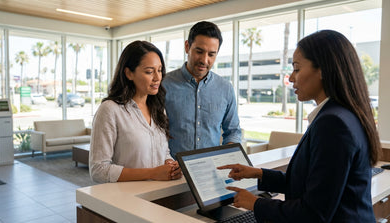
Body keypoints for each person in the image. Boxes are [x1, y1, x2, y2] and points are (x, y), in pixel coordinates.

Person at [218, 30, 381, 222]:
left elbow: (313, 214)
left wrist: (254, 203)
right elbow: (310, 185)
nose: (291, 79)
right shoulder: (343, 114)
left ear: (322, 70)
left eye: (296, 69)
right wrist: (258, 174)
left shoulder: (333, 123)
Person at [89, 40, 182, 183]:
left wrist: (171, 165)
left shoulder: (158, 109)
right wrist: (152, 173)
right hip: (127, 199)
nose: (157, 78)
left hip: (159, 194)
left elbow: (164, 153)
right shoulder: (110, 110)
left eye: (159, 70)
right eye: (149, 72)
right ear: (129, 73)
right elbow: (98, 170)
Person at [163, 21, 242, 157]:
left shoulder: (225, 88)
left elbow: (233, 132)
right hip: (172, 171)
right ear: (187, 46)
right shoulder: (163, 85)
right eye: (199, 52)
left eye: (211, 54)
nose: (204, 60)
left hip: (211, 171)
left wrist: (228, 157)